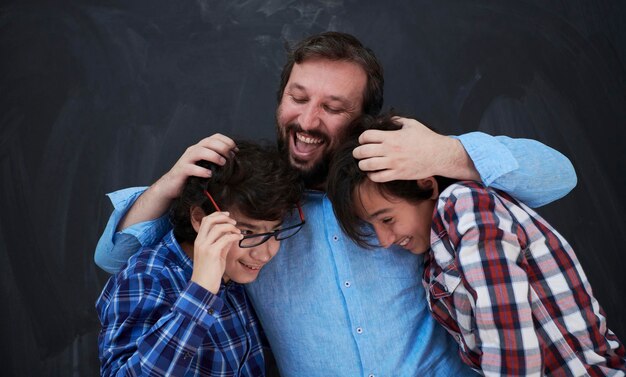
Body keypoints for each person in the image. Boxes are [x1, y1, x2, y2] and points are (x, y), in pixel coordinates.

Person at [95, 32, 578, 375]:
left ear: (362, 118)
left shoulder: (405, 183)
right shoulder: (254, 203)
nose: (307, 120)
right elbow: (115, 258)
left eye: (332, 107)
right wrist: (170, 182)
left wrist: (443, 152)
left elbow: (560, 175)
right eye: (297, 97)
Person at [326, 113, 626, 376]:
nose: (384, 240)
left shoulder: (462, 204)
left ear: (426, 184)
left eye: (387, 219)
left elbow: (511, 343)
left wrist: (447, 152)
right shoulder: (433, 261)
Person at [96, 142, 304, 376]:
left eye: (274, 232)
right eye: (246, 232)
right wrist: (200, 293)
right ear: (199, 218)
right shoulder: (147, 278)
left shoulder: (236, 276)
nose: (265, 253)